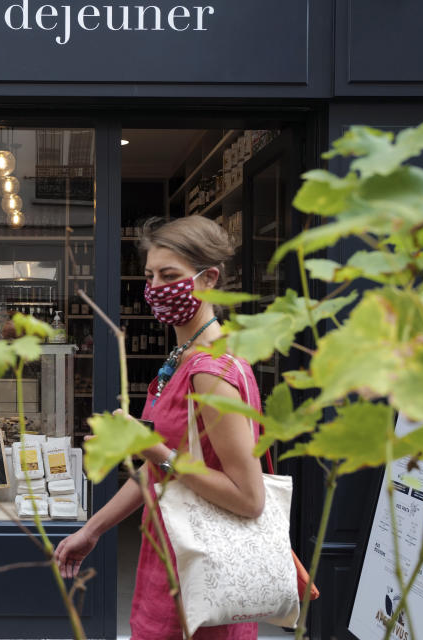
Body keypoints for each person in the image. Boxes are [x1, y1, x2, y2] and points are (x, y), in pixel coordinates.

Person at [54, 216, 265, 640]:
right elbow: (163, 472)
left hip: (202, 579)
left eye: (170, 276)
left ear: (208, 280)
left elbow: (249, 498)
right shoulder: (184, 359)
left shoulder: (211, 372)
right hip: (169, 561)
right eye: (151, 275)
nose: (155, 288)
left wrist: (147, 445)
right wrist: (92, 530)